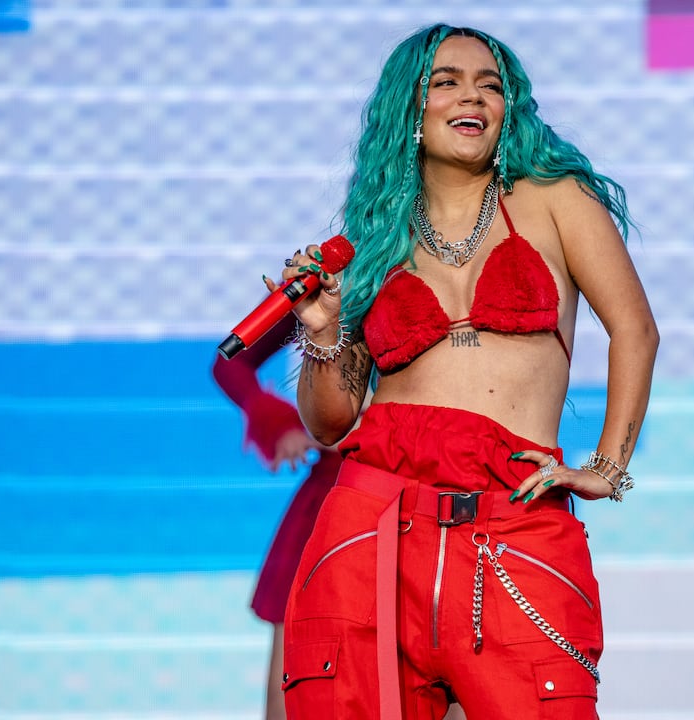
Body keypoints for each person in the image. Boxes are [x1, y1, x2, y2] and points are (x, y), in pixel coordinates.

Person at [268, 24, 658, 720]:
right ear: (410, 109)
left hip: (514, 529)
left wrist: (609, 469)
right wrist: (323, 332)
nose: (472, 95)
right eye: (445, 82)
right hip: (372, 528)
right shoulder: (369, 241)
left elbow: (636, 330)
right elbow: (331, 422)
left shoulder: (556, 198)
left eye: (490, 85)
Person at [212, 314, 341, 720]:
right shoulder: (327, 283)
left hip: (429, 493)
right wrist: (276, 420)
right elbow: (230, 360)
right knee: (294, 700)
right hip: (333, 500)